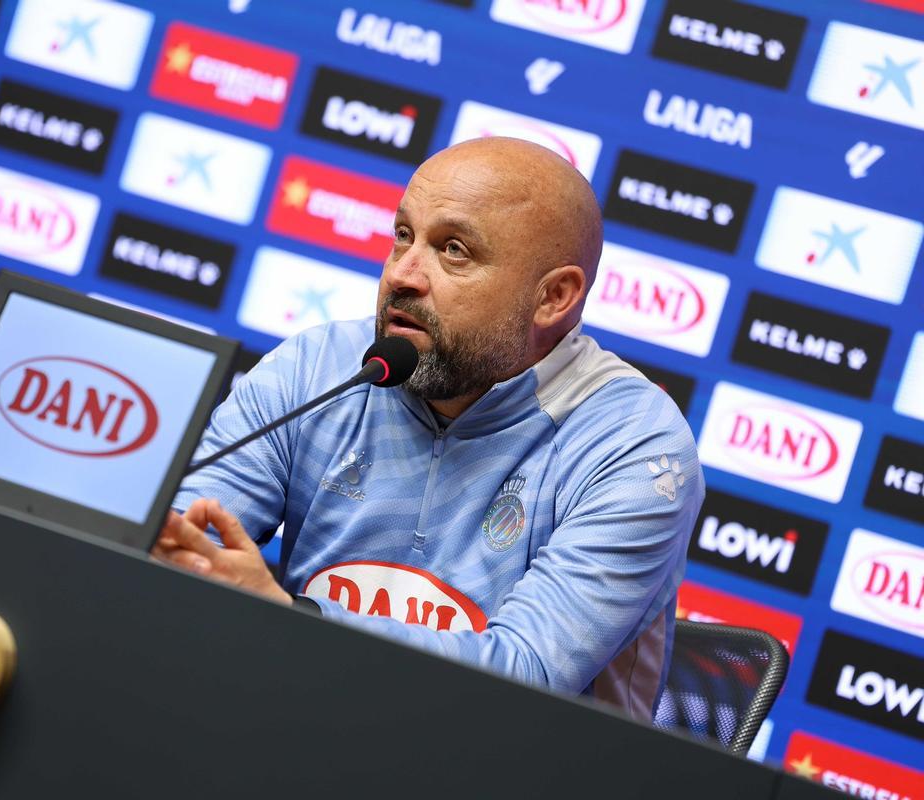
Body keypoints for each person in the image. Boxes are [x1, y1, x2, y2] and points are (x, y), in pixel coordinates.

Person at [153, 136, 704, 719]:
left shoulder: (635, 447)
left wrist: (291, 619)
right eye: (402, 236)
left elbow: (525, 677)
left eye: (454, 250)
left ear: (554, 297)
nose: (403, 275)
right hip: (293, 727)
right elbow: (178, 542)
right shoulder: (317, 370)